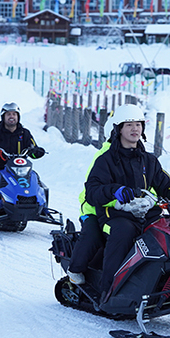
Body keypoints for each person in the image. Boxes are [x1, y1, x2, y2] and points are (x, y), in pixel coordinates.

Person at [83, 104, 170, 296]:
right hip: (116, 215)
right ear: (118, 129)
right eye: (129, 124)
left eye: (138, 124)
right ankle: (109, 291)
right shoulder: (105, 160)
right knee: (124, 232)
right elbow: (92, 191)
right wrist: (115, 191)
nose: (135, 129)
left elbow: (165, 185)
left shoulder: (149, 160)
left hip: (145, 213)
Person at [65, 113, 117, 285]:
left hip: (120, 211)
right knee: (93, 234)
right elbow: (93, 187)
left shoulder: (136, 155)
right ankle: (75, 269)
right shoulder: (103, 157)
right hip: (94, 208)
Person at [0, 102, 46, 203]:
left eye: (14, 114)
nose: (11, 117)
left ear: (18, 116)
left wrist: (36, 151)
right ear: (3, 117)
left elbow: (33, 148)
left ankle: (41, 206)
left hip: (21, 170)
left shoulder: (24, 133)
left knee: (36, 180)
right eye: (8, 114)